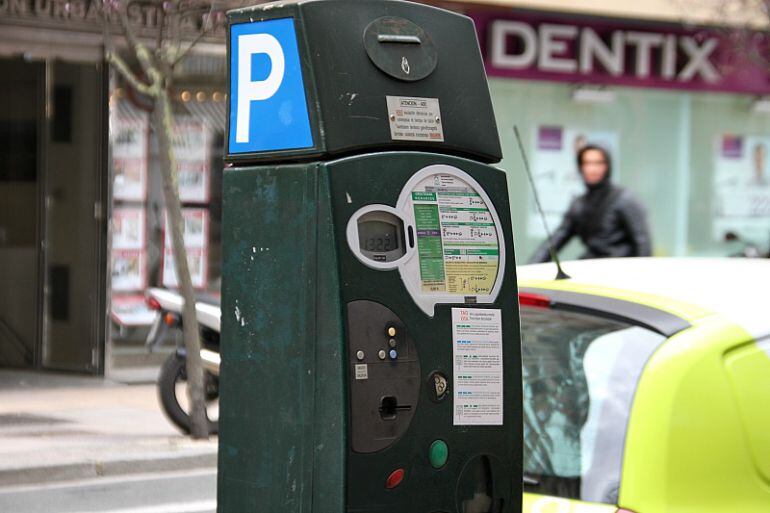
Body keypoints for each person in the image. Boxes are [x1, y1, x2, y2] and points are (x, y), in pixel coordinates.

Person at [530, 145, 652, 263]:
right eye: (587, 163)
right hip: (590, 268)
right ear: (580, 167)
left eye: (598, 163)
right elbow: (555, 241)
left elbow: (643, 244)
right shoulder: (579, 204)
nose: (592, 168)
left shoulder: (625, 198)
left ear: (607, 166)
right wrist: (526, 271)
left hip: (621, 271)